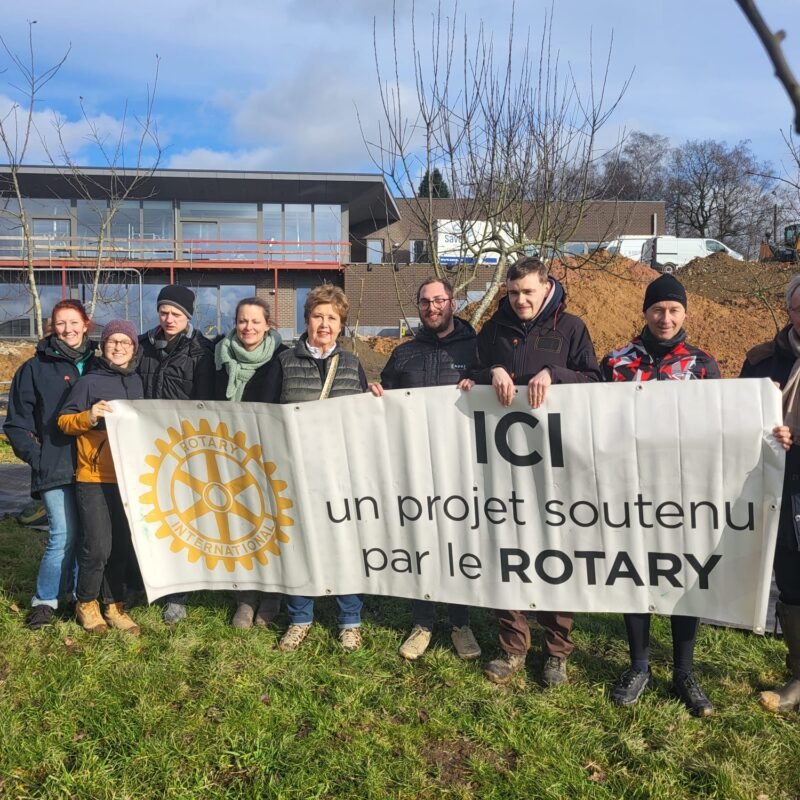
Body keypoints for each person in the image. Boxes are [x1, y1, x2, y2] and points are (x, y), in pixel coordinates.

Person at [468, 256, 601, 687]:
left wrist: (554, 373)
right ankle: (512, 648)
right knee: (507, 549)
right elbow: (469, 377)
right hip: (503, 464)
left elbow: (596, 382)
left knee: (555, 553)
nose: (520, 300)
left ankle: (556, 652)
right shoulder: (492, 331)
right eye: (513, 292)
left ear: (546, 287)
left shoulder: (572, 328)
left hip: (555, 465)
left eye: (528, 291)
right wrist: (491, 370)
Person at [601, 273, 722, 716]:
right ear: (645, 313)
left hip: (683, 491)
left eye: (673, 310)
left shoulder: (703, 365)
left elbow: (719, 429)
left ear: (685, 314)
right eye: (657, 309)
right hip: (628, 486)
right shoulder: (615, 363)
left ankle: (684, 671)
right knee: (635, 572)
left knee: (682, 575)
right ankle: (639, 665)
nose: (665, 317)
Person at [370, 277, 481, 661]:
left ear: (453, 302)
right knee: (419, 543)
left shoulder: (477, 348)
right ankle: (422, 623)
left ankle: (459, 623)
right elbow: (383, 400)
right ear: (417, 307)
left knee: (456, 544)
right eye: (424, 302)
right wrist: (376, 395)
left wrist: (479, 382)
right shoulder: (403, 354)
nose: (431, 307)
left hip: (459, 467)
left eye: (439, 300)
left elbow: (494, 389)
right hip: (413, 466)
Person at [259, 284, 368, 652]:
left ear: (341, 325)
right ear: (306, 320)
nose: (324, 324)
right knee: (300, 545)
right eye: (318, 316)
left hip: (341, 473)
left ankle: (349, 620)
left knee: (345, 546)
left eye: (332, 318)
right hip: (295, 473)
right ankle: (300, 617)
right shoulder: (283, 362)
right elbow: (264, 414)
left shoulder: (353, 365)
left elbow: (366, 420)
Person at [4, 300, 96, 629]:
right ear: (52, 327)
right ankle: (44, 600)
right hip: (54, 465)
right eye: (60, 323)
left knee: (85, 534)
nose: (67, 329)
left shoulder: (99, 362)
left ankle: (73, 594)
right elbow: (16, 422)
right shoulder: (35, 368)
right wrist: (37, 455)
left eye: (73, 322)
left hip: (93, 467)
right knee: (63, 533)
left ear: (86, 324)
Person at [58, 320, 144, 635]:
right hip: (93, 476)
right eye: (112, 341)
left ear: (134, 348)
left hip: (127, 478)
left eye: (125, 342)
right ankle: (86, 603)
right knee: (97, 545)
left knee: (121, 544)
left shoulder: (137, 383)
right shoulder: (88, 382)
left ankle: (114, 604)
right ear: (103, 345)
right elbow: (64, 422)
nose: (118, 347)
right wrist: (90, 415)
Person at [137, 284, 215, 624]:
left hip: (183, 449)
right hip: (143, 444)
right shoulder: (140, 346)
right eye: (164, 312)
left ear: (188, 316)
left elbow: (208, 402)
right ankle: (141, 580)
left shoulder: (202, 352)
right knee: (146, 517)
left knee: (180, 518)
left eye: (177, 314)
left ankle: (177, 594)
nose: (169, 319)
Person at [740, 273, 800, 713]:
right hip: (782, 484)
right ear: (788, 310)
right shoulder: (762, 361)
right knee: (791, 579)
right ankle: (798, 674)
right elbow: (740, 421)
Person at [214, 296, 286, 629]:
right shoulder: (216, 357)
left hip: (270, 457)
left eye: (255, 321)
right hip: (230, 456)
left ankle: (272, 595)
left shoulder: (282, 359)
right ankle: (244, 598)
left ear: (268, 324)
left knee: (271, 528)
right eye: (243, 321)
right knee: (239, 527)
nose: (248, 327)